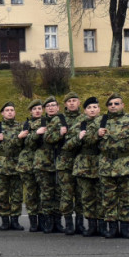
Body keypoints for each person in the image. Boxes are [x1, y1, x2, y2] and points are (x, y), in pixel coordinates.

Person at [97, 93, 129, 238]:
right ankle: (112, 227)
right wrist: (96, 134)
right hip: (107, 165)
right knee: (108, 199)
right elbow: (87, 140)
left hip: (126, 164)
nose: (113, 106)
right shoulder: (100, 121)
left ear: (123, 105)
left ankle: (125, 227)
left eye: (116, 103)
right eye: (110, 104)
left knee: (126, 198)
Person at [0, 102, 24, 230]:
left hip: (16, 165)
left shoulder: (21, 127)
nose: (10, 112)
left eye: (12, 110)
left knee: (17, 195)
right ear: (2, 113)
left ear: (15, 112)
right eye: (7, 110)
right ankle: (5, 220)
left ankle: (15, 220)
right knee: (2, 195)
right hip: (1, 166)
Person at [50, 92, 84, 234]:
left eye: (74, 100)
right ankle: (69, 223)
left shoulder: (85, 118)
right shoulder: (58, 119)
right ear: (65, 104)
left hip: (82, 162)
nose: (71, 103)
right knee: (66, 194)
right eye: (69, 101)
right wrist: (59, 134)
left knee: (81, 194)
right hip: (65, 161)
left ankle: (80, 224)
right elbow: (48, 138)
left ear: (79, 102)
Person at [70, 97, 102, 237]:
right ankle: (91, 226)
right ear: (84, 110)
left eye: (95, 107)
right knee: (87, 197)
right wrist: (79, 137)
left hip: (102, 164)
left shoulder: (106, 122)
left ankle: (101, 225)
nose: (92, 110)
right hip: (84, 164)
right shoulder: (79, 124)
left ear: (99, 109)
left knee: (101, 196)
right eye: (89, 108)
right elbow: (68, 144)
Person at [33, 97, 61, 233]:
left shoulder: (63, 121)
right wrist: (35, 134)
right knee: (46, 194)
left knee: (59, 193)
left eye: (53, 105)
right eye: (48, 106)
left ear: (58, 107)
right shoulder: (38, 123)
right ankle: (47, 221)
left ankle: (58, 221)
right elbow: (27, 143)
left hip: (59, 162)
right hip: (43, 163)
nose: (51, 107)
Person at [17, 101, 44, 232]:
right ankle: (33, 221)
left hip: (43, 163)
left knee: (44, 192)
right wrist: (35, 134)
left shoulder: (47, 123)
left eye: (39, 108)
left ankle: (44, 220)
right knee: (31, 193)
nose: (37, 111)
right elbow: (25, 142)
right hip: (27, 163)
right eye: (35, 109)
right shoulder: (25, 125)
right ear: (30, 111)